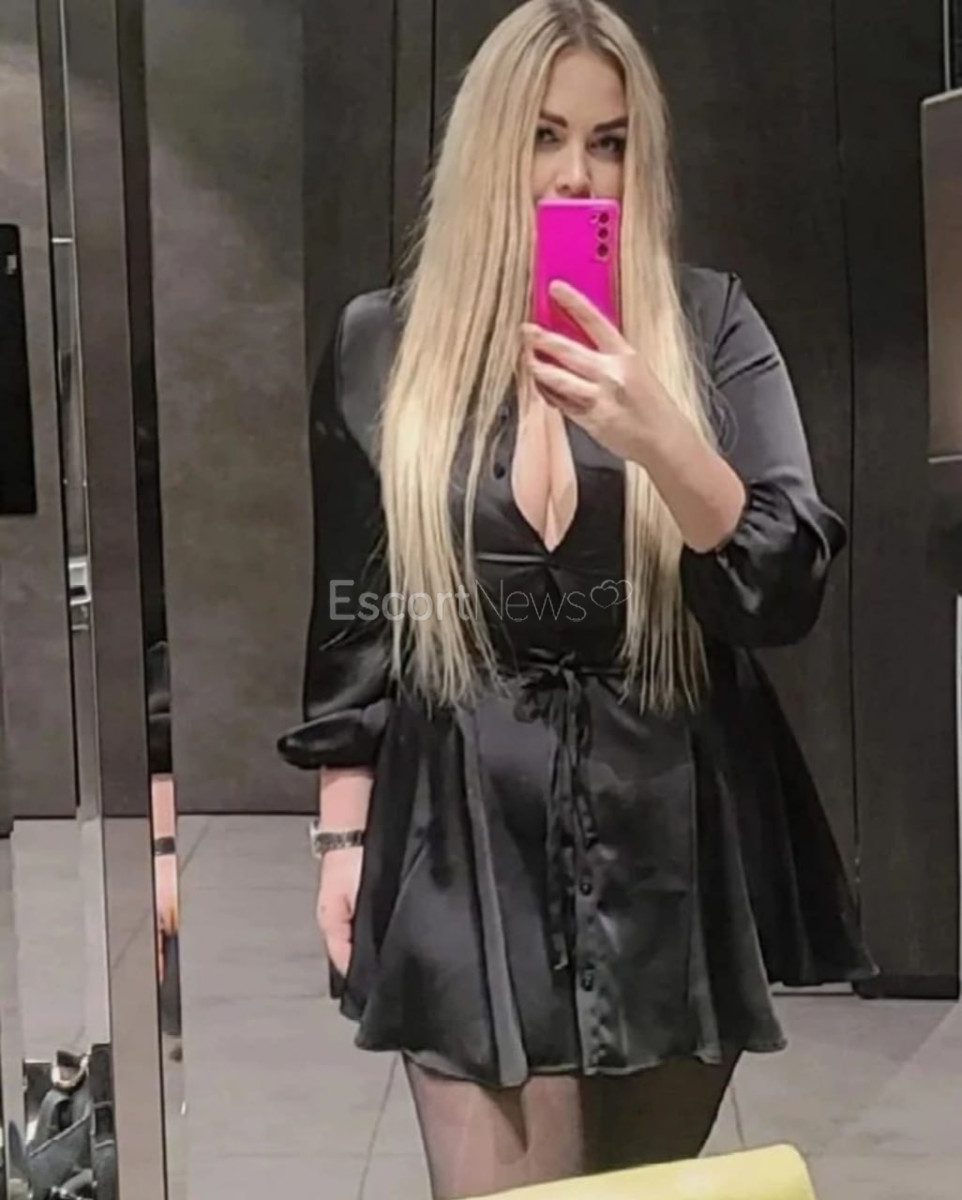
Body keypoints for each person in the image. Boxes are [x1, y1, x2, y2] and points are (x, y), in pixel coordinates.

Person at [278, 1, 877, 1195]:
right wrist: (341, 833)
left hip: (664, 825)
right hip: (462, 820)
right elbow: (357, 616)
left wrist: (663, 436)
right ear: (486, 146)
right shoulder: (384, 345)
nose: (574, 174)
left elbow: (782, 587)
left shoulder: (706, 326)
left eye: (609, 142)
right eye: (543, 135)